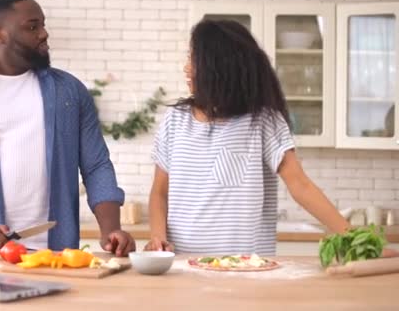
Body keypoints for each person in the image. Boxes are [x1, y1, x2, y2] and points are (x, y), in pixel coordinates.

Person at [0, 0, 135, 257]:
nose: (44, 33)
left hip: (55, 254)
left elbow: (96, 165)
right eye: (33, 26)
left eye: (43, 25)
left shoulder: (70, 92)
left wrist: (111, 229)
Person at [145, 19, 353, 256]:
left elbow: (300, 185)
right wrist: (158, 237)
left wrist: (353, 238)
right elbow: (159, 193)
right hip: (182, 266)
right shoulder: (175, 120)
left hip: (246, 269)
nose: (186, 68)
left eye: (194, 59)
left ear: (219, 68)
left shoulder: (263, 121)